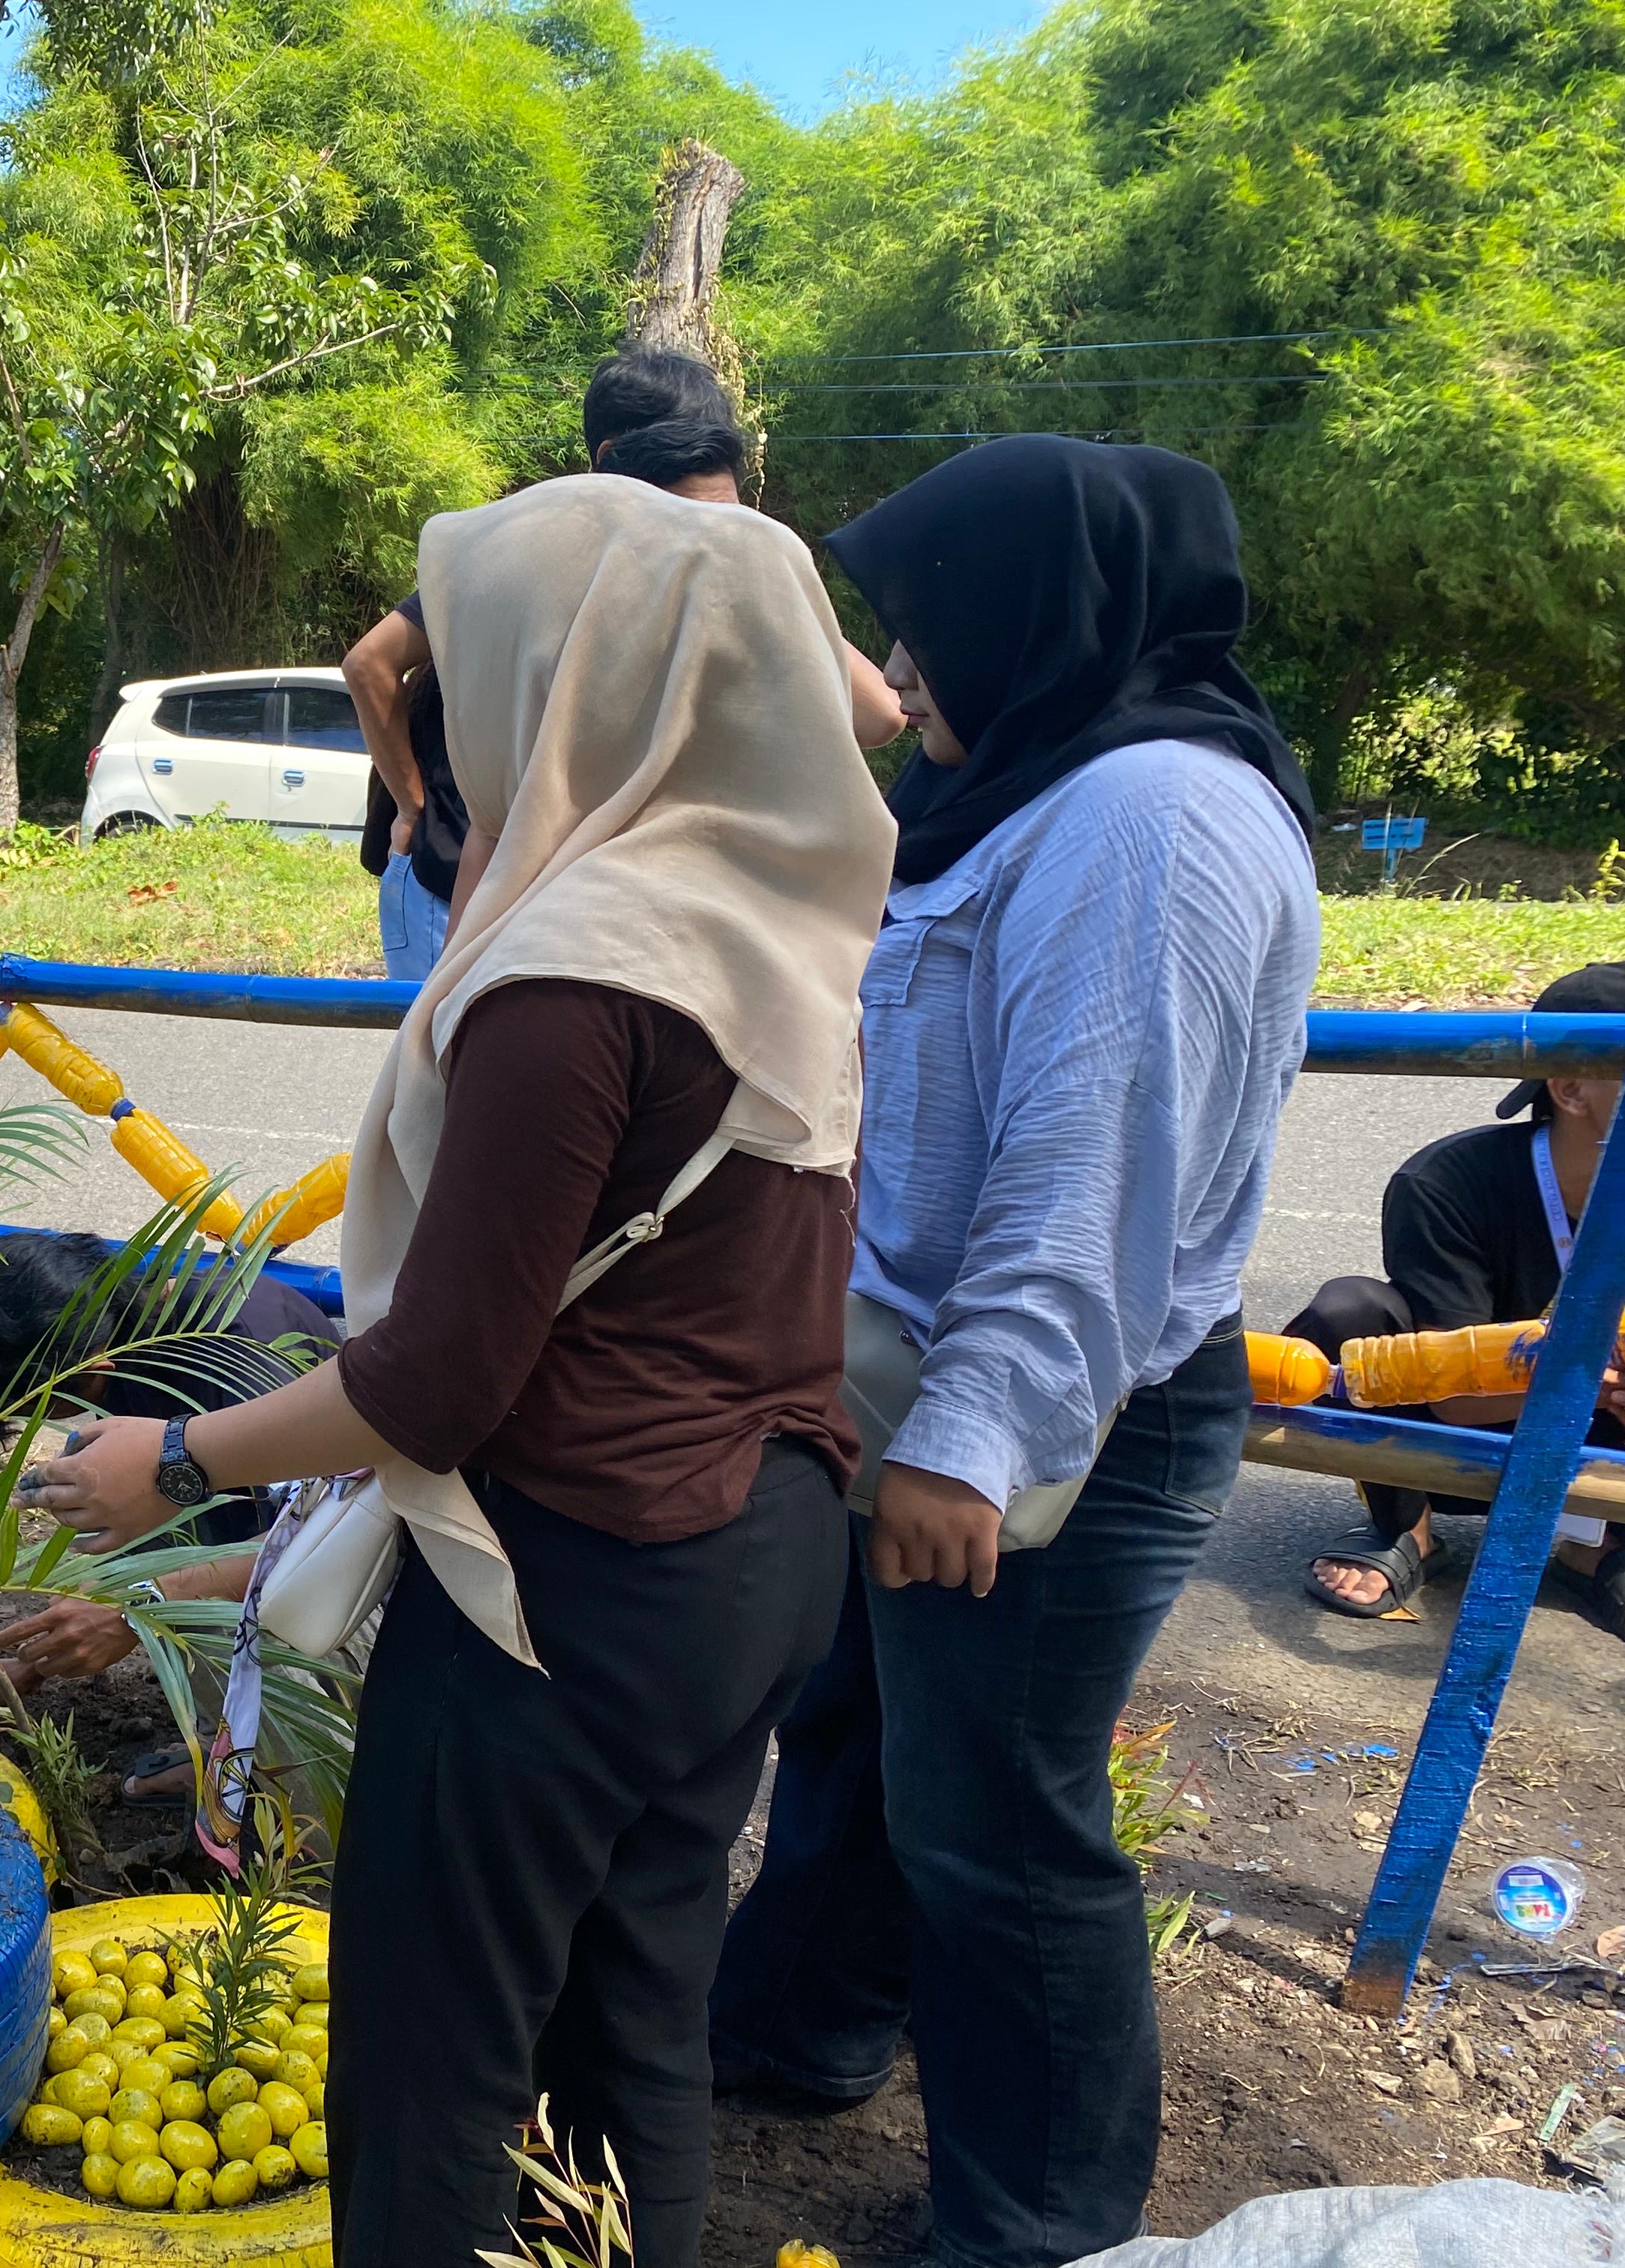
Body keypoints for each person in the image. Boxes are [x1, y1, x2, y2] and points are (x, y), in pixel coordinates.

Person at [26, 473, 895, 2268]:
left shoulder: (577, 974)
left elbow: (437, 1381)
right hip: (759, 1549)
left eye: (473, 665)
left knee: (436, 2066)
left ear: (564, 680)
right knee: (632, 2025)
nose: (443, 713)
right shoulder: (775, 907)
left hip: (567, 1592)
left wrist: (170, 1466)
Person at [709, 437, 1322, 2268]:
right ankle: (803, 2030)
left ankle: (1039, 2222)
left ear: (1037, 617)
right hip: (923, 1367)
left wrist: (971, 1442)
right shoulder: (1030, 783)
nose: (899, 677)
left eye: (924, 628)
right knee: (862, 1730)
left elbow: (1093, 1168)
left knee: (1000, 1822)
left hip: (1057, 1409)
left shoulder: (1153, 820)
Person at [343, 347, 906, 982]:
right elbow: (370, 663)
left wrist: (753, 563)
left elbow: (880, 713)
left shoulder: (703, 578)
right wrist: (411, 806)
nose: (702, 536)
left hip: (577, 916)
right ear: (612, 462)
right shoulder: (528, 562)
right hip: (457, 886)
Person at [0, 1228, 334, 1801]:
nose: (32, 1418)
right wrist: (33, 1664)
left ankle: (310, 1808)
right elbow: (149, 1536)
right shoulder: (110, 1335)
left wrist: (137, 1609)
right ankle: (228, 1749)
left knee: (205, 1614)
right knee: (127, 1529)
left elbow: (322, 1538)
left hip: (371, 1565)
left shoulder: (236, 1357)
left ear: (89, 1365)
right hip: (264, 1522)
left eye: (31, 1403)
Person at [1294, 962, 1625, 1619]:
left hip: (1606, 1435)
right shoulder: (1447, 1182)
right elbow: (1449, 1397)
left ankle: (1598, 1548)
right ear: (1570, 1089)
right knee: (1348, 1314)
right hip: (1464, 1431)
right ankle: (1405, 1527)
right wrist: (1586, 1378)